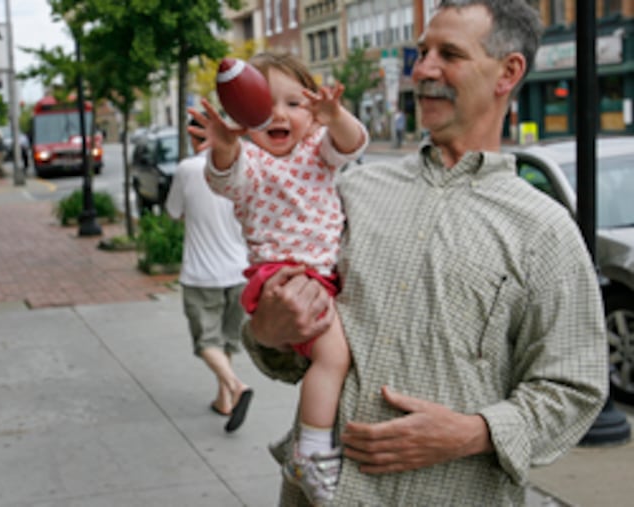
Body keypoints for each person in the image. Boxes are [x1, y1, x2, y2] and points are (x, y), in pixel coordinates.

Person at [241, 1, 609, 505]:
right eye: (422, 52)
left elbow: (576, 387)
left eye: (449, 54)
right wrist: (267, 332)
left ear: (508, 71)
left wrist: (475, 432)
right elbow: (287, 353)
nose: (423, 69)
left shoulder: (543, 230)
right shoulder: (351, 192)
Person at [189, 50, 368, 504]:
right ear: (245, 116)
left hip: (319, 278)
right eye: (264, 105)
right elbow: (225, 175)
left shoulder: (317, 150)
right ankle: (310, 450)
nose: (279, 114)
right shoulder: (253, 162)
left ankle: (311, 446)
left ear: (313, 113)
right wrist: (225, 143)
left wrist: (337, 115)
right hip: (279, 277)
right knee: (334, 355)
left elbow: (353, 142)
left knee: (332, 356)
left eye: (295, 103)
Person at [165, 116, 253, 433]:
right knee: (227, 341)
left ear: (194, 137)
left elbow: (173, 212)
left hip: (201, 274)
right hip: (239, 271)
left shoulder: (188, 169)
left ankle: (236, 386)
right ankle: (224, 401)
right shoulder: (245, 167)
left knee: (206, 343)